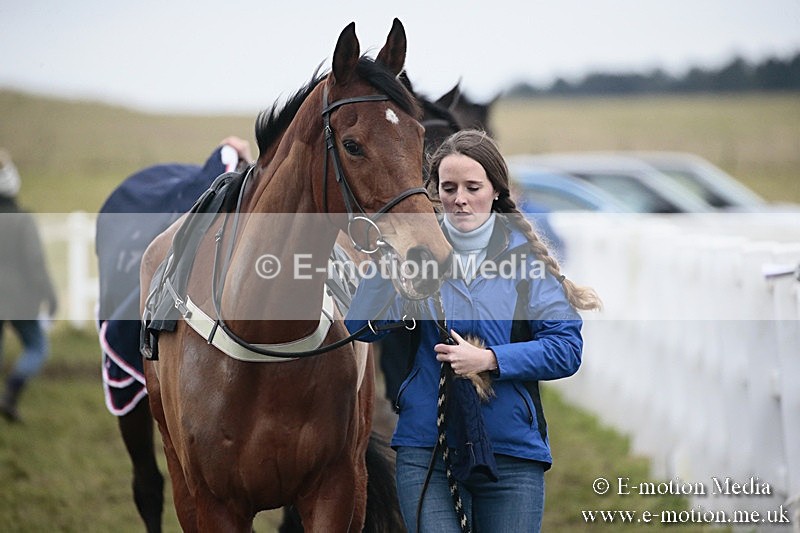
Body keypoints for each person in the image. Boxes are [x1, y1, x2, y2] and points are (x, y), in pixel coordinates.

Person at [345, 130, 601, 532]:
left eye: (472, 187)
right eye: (448, 188)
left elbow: (566, 348)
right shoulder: (416, 258)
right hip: (426, 448)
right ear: (435, 194)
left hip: (512, 453)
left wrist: (490, 360)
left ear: (496, 190)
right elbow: (361, 326)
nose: (459, 198)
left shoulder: (528, 264)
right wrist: (385, 256)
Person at [0, 149, 59, 423]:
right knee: (36, 347)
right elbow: (35, 263)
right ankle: (10, 396)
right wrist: (50, 296)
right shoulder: (23, 219)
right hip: (20, 298)